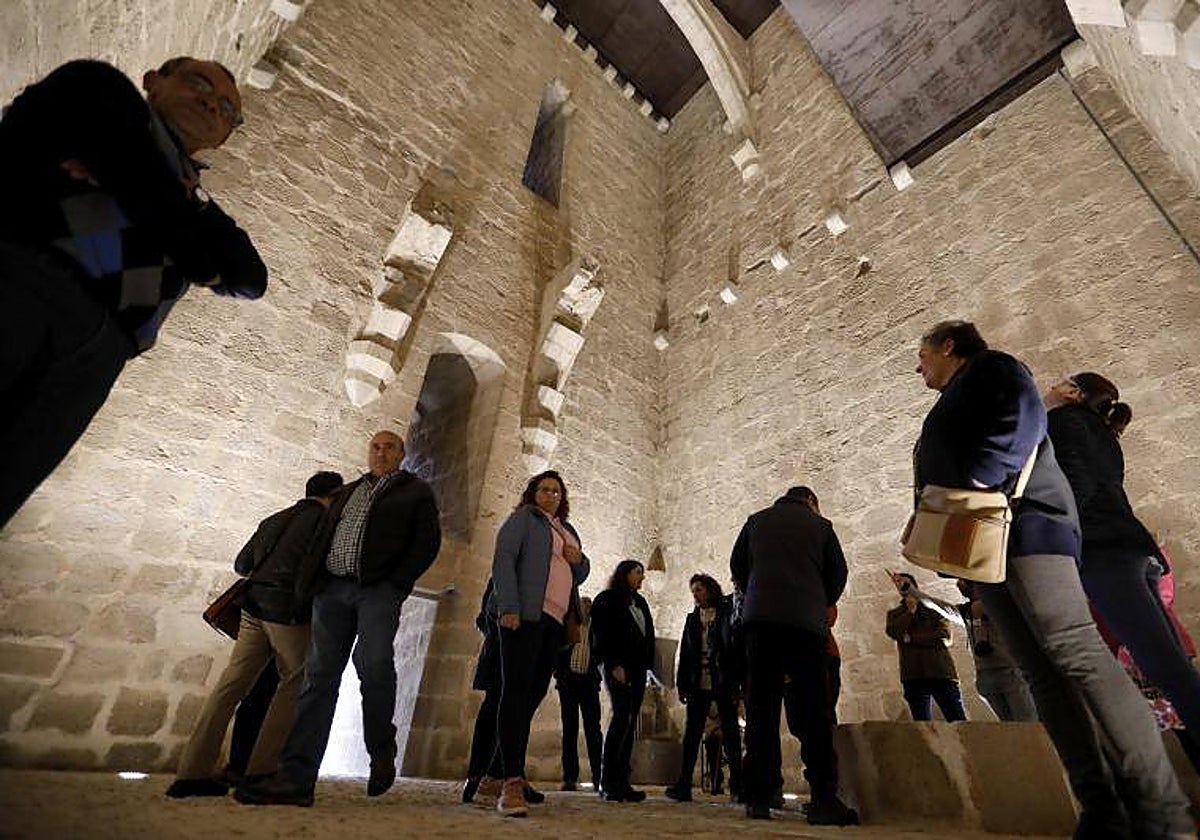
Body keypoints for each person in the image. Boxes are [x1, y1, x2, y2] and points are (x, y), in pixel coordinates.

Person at [913, 320, 1189, 837]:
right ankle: (1101, 807)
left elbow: (1019, 421)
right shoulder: (951, 399)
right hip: (985, 547)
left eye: (923, 353)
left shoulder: (994, 368)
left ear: (950, 346)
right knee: (1041, 674)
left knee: (1076, 651)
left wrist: (972, 487)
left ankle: (1162, 811)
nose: (918, 364)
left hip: (1027, 527)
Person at [0, 57, 267, 527]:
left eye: (226, 108)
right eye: (198, 82)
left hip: (95, 360)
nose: (210, 101)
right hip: (24, 282)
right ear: (154, 82)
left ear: (224, 136)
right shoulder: (101, 91)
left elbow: (250, 278)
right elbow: (190, 244)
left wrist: (156, 198)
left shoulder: (197, 204)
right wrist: (187, 240)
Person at [236, 431, 441, 807]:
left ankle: (381, 748)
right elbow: (323, 540)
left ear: (402, 454)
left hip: (378, 590)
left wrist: (396, 582)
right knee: (318, 679)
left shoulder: (415, 492)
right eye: (375, 447)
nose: (381, 453)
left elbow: (427, 542)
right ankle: (296, 779)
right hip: (332, 591)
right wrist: (312, 583)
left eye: (389, 447)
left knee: (374, 662)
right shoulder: (348, 491)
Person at [167, 470, 343, 798]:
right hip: (285, 611)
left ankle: (190, 773)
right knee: (298, 679)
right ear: (333, 496)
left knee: (231, 684)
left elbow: (242, 563)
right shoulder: (325, 521)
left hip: (252, 607)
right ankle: (262, 771)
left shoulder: (274, 518)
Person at [1046, 372, 1200, 743]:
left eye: (1060, 382)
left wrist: (1056, 538)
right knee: (1172, 666)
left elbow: (1074, 488)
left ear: (1073, 393)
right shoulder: (1103, 431)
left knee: (1166, 669)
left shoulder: (1063, 420)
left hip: (1105, 553)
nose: (1051, 385)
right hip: (1133, 548)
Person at [730, 485, 857, 825]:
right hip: (805, 625)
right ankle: (823, 799)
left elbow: (738, 567)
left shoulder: (755, 521)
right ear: (812, 502)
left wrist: (761, 592)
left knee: (761, 710)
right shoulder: (822, 526)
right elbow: (837, 576)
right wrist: (815, 597)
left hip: (760, 623)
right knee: (814, 711)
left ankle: (759, 796)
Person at [487, 470, 589, 817]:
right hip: (526, 615)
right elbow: (503, 560)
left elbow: (581, 571)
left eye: (556, 491)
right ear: (533, 493)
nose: (550, 495)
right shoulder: (523, 520)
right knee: (515, 692)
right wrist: (509, 608)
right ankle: (511, 781)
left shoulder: (565, 529)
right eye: (544, 489)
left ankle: (498, 772)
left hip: (554, 622)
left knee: (533, 694)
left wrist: (580, 560)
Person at [665, 573, 741, 803]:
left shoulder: (726, 614)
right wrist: (682, 684)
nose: (696, 595)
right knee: (692, 734)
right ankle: (684, 784)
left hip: (722, 680)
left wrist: (736, 681)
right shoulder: (691, 619)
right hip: (698, 683)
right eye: (693, 591)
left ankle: (738, 785)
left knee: (731, 733)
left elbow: (733, 648)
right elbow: (686, 654)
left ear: (710, 589)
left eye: (699, 589)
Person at [590, 560, 655, 804]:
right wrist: (614, 663)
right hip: (618, 668)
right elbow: (602, 632)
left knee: (629, 722)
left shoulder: (640, 602)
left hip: (638, 671)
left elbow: (647, 635)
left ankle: (622, 781)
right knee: (620, 719)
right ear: (625, 573)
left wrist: (650, 669)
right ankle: (608, 781)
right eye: (638, 572)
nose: (642, 578)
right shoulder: (607, 599)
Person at [885, 572, 967, 722]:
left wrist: (910, 638)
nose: (902, 586)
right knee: (923, 726)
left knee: (957, 719)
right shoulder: (895, 614)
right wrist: (910, 613)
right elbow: (893, 632)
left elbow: (944, 637)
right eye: (899, 584)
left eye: (906, 583)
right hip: (913, 675)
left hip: (940, 672)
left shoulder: (934, 609)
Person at [955, 580, 1037, 722]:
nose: (959, 584)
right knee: (1014, 725)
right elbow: (937, 606)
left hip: (1008, 672)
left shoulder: (998, 605)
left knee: (1027, 723)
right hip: (988, 675)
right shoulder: (966, 612)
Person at [556, 595, 603, 792]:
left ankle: (598, 776)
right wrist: (559, 674)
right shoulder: (569, 626)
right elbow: (559, 650)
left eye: (588, 604)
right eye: (583, 603)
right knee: (570, 730)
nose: (586, 606)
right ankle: (569, 777)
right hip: (569, 682)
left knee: (593, 730)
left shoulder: (597, 630)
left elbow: (599, 653)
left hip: (589, 683)